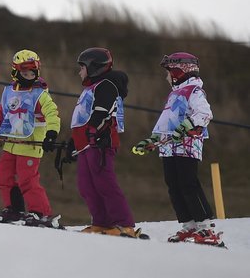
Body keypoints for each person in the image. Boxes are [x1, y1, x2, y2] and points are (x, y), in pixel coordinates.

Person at [131, 53, 222, 246]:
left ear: (179, 72)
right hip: (169, 147)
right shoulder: (174, 94)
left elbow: (205, 113)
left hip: (187, 146)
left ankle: (205, 226)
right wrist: (152, 140)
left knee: (188, 183)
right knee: (173, 184)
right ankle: (189, 224)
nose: (166, 77)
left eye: (169, 72)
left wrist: (187, 126)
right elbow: (166, 123)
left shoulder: (194, 91)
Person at [68, 47, 144, 238]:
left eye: (82, 68)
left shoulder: (106, 85)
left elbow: (101, 112)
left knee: (105, 183)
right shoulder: (90, 88)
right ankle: (101, 222)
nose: (79, 72)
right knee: (86, 185)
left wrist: (93, 129)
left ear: (94, 67)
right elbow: (81, 118)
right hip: (86, 144)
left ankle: (124, 224)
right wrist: (73, 141)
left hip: (100, 142)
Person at [0, 49, 61, 226]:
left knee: (28, 179)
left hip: (30, 144)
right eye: (25, 73)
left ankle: (40, 212)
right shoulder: (9, 91)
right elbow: (2, 112)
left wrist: (51, 133)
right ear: (16, 72)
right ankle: (13, 209)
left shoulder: (39, 94)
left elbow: (52, 114)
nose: (29, 76)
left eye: (32, 73)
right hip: (10, 143)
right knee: (4, 176)